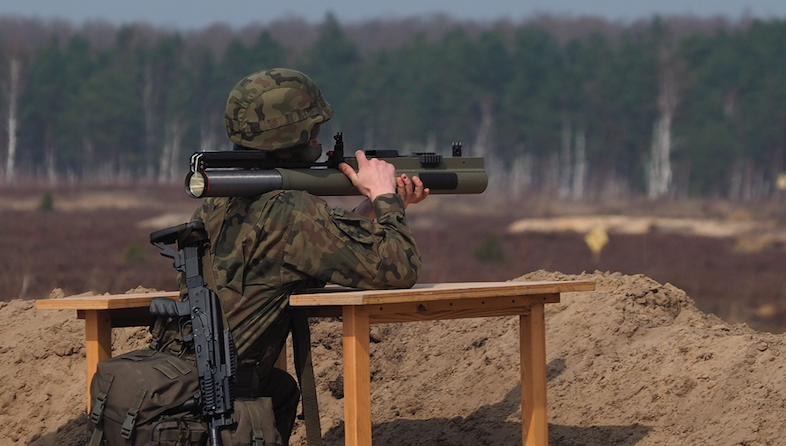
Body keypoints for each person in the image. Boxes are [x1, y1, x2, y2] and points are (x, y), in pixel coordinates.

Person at [157, 68, 429, 444]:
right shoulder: (289, 209)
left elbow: (309, 258)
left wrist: (377, 209)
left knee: (280, 387)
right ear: (290, 136)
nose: (319, 140)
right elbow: (400, 268)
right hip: (222, 403)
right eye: (313, 130)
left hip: (188, 384)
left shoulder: (218, 202)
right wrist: (385, 198)